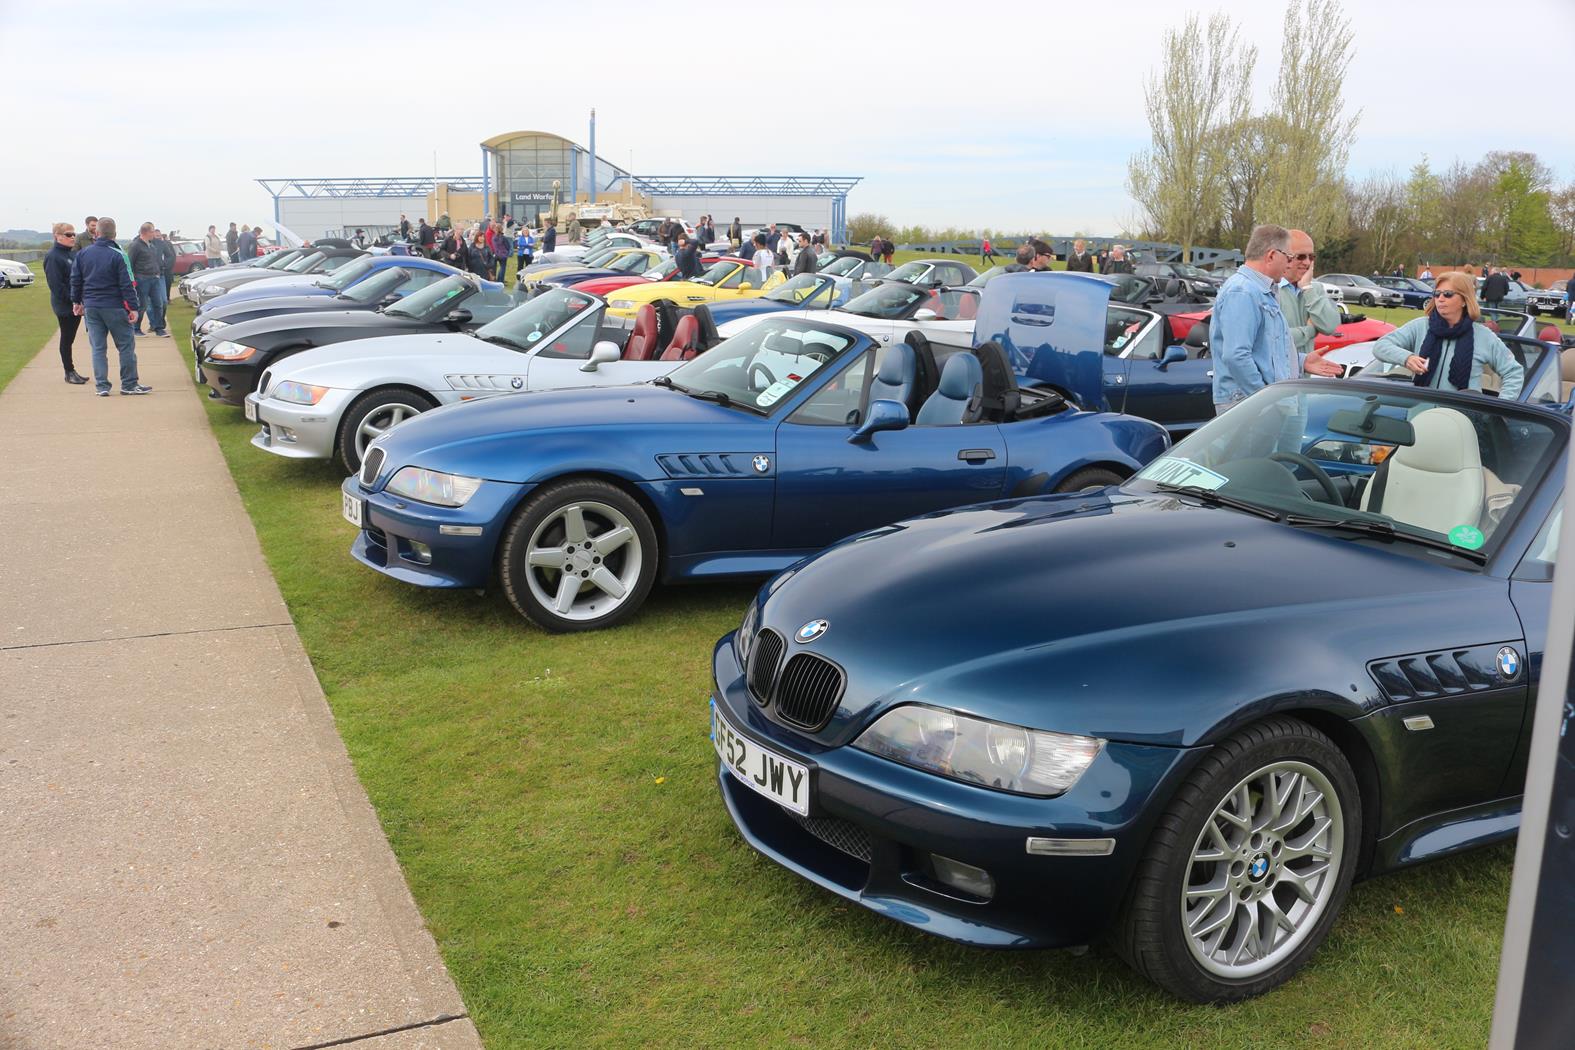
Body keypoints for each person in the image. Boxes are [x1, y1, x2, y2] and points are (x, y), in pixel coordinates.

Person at [1371, 272, 1523, 398]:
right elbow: (1381, 346)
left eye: (1448, 294)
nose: (1440, 299)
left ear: (1465, 300)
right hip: (1420, 412)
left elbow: (1513, 372)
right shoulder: (1420, 326)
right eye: (1437, 294)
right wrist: (1407, 358)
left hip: (1464, 418)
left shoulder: (1484, 336)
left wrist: (1497, 411)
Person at [1209, 224, 1296, 414]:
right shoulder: (1243, 292)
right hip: (1247, 406)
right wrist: (1265, 399)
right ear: (1271, 255)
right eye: (1289, 257)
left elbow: (1265, 351)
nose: (1290, 264)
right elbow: (1236, 356)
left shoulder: (1260, 291)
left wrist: (1302, 360)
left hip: (1255, 404)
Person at [70, 218, 150, 396]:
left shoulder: (83, 254)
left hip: (91, 306)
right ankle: (129, 384)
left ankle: (102, 386)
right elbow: (127, 284)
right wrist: (134, 308)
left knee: (98, 348)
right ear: (114, 234)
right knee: (125, 346)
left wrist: (76, 302)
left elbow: (75, 280)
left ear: (96, 233)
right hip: (113, 305)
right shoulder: (118, 254)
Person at [1276, 230, 1343, 378]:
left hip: (1303, 382)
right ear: (1284, 257)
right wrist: (1310, 330)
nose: (1307, 262)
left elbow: (1330, 326)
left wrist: (1307, 289)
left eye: (1311, 257)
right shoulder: (1271, 289)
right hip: (1275, 383)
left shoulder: (1314, 288)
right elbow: (1275, 338)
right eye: (1300, 256)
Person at [43, 222, 89, 384]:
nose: (73, 237)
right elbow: (56, 286)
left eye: (73, 234)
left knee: (70, 338)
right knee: (67, 338)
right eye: (69, 235)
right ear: (58, 236)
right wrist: (74, 301)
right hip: (65, 305)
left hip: (76, 302)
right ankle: (69, 371)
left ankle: (71, 370)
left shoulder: (72, 254)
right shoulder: (53, 256)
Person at [128, 222, 167, 337]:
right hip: (142, 279)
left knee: (158, 303)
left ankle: (159, 328)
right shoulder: (135, 245)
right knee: (142, 305)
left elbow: (155, 261)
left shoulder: (151, 245)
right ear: (146, 232)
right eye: (152, 231)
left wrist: (158, 272)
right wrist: (133, 279)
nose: (154, 234)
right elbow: (130, 263)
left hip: (154, 278)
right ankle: (136, 328)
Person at [154, 228, 176, 297]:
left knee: (168, 283)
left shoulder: (167, 243)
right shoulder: (153, 244)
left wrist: (167, 265)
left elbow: (172, 255)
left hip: (167, 268)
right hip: (158, 269)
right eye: (156, 236)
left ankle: (168, 297)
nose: (158, 237)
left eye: (159, 235)